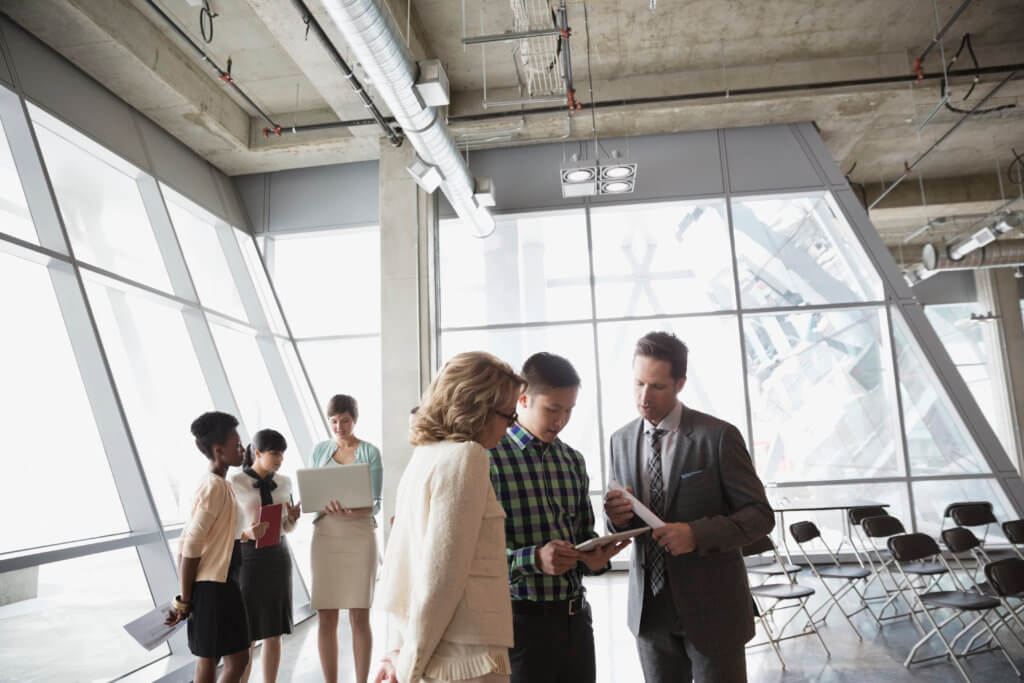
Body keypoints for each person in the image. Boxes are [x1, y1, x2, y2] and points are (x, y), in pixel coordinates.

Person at [604, 332, 774, 683]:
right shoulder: (620, 440)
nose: (644, 397)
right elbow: (621, 523)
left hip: (713, 610)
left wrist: (696, 534)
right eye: (638, 383)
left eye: (657, 386)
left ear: (680, 383)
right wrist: (614, 519)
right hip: (649, 614)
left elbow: (759, 514)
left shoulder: (719, 436)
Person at [373, 351, 524, 683]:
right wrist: (409, 666)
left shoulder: (423, 457)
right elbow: (442, 578)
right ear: (479, 408)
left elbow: (406, 567)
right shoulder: (468, 457)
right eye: (509, 415)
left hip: (433, 650)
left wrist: (398, 651)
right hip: (463, 657)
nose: (512, 427)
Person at [489, 353, 629, 683]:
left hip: (576, 620)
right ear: (522, 400)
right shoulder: (489, 458)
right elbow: (475, 559)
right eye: (553, 409)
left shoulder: (572, 461)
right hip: (518, 626)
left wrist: (593, 560)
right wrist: (534, 558)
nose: (562, 419)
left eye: (569, 410)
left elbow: (583, 535)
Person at [165, 411, 262, 683]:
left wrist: (245, 534)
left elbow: (215, 536)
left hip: (218, 582)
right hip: (215, 587)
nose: (243, 448)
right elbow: (191, 543)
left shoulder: (220, 484)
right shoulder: (215, 486)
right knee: (236, 658)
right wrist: (185, 600)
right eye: (237, 443)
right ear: (219, 450)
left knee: (212, 658)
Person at [309, 394, 383, 683]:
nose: (339, 426)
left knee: (359, 615)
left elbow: (375, 501)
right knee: (325, 616)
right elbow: (313, 491)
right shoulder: (319, 451)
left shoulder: (370, 452)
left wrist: (352, 509)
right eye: (334, 421)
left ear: (355, 419)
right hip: (326, 534)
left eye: (345, 420)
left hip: (359, 535)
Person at [229, 429, 302, 683]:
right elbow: (228, 526)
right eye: (274, 453)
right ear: (257, 453)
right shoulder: (235, 483)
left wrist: (291, 519)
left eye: (282, 453)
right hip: (248, 559)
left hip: (277, 557)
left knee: (274, 630)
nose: (279, 458)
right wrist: (247, 532)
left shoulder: (285, 482)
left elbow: (285, 526)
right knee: (246, 632)